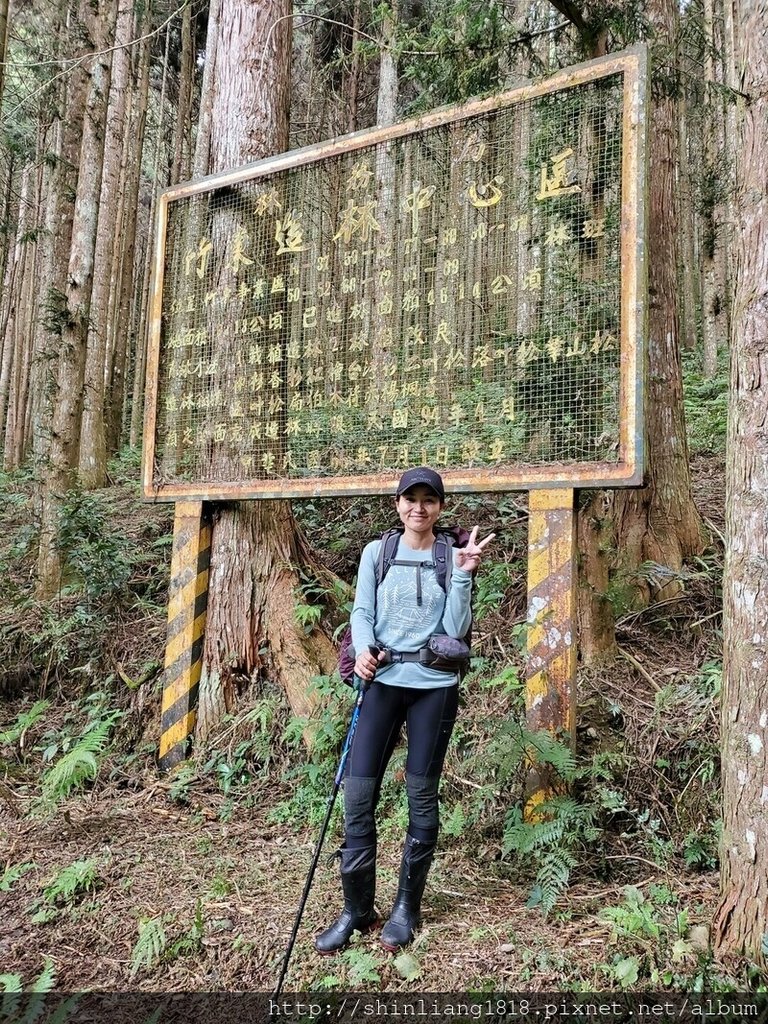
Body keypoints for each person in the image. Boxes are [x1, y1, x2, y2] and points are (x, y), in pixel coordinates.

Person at [315, 467, 494, 954]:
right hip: (381, 680)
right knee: (357, 795)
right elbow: (361, 611)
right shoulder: (379, 552)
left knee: (420, 794)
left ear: (439, 507)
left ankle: (405, 909)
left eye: (428, 500)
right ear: (397, 504)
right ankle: (356, 908)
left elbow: (456, 630)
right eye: (410, 499)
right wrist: (366, 647)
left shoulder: (450, 555)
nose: (419, 507)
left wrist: (462, 576)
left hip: (434, 685)